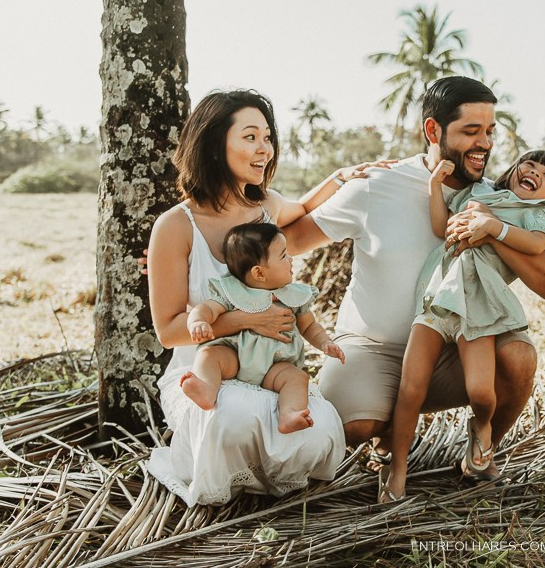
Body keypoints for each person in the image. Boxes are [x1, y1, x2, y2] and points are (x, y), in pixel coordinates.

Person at [283, 76, 545, 486]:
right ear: (433, 130)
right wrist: (202, 243)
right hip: (373, 351)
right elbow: (291, 241)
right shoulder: (377, 185)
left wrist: (490, 229)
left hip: (459, 349)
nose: (485, 143)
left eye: (490, 131)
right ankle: (385, 432)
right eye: (471, 131)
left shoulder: (498, 200)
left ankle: (481, 450)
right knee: (354, 427)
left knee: (520, 356)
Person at [144, 89, 384, 506]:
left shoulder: (266, 208)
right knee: (233, 418)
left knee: (321, 424)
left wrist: (340, 178)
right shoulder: (174, 226)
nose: (264, 150)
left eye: (268, 138)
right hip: (208, 369)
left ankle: (271, 490)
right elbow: (167, 332)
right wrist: (245, 320)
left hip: (271, 367)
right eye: (251, 137)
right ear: (214, 143)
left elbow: (304, 206)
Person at [380, 149, 545, 502]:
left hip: (479, 308)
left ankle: (482, 427)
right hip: (438, 300)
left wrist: (494, 227)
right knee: (411, 389)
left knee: (482, 392)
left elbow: (535, 245)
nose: (533, 172)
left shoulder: (540, 216)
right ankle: (396, 470)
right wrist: (434, 185)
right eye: (528, 164)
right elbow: (442, 228)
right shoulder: (479, 194)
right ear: (515, 168)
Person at [183, 222, 346, 434]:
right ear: (259, 273)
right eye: (283, 255)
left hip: (275, 366)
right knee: (209, 354)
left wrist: (325, 342)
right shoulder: (233, 291)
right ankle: (206, 389)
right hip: (235, 356)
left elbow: (310, 326)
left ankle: (289, 413)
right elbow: (207, 309)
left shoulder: (293, 295)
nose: (291, 259)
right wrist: (198, 321)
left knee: (297, 377)